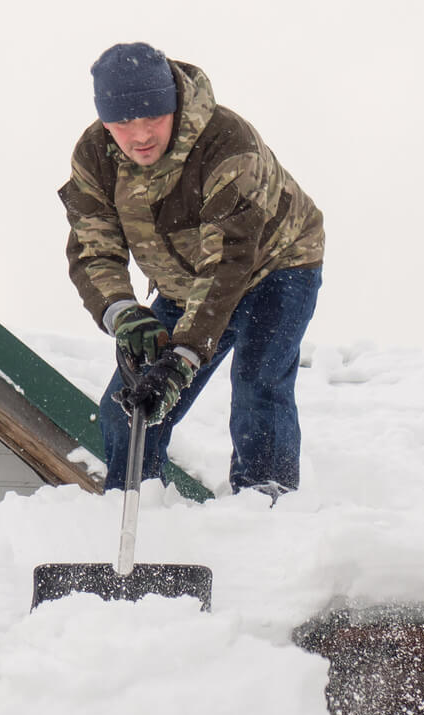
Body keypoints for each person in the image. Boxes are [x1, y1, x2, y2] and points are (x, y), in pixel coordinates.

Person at [59, 42, 324, 499]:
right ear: (105, 120)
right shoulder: (94, 157)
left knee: (258, 385)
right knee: (130, 407)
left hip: (275, 266)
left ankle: (266, 511)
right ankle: (140, 514)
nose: (140, 135)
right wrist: (124, 314)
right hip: (185, 284)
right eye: (123, 122)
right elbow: (92, 248)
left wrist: (182, 360)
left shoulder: (226, 143)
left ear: (175, 105)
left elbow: (227, 263)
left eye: (152, 118)